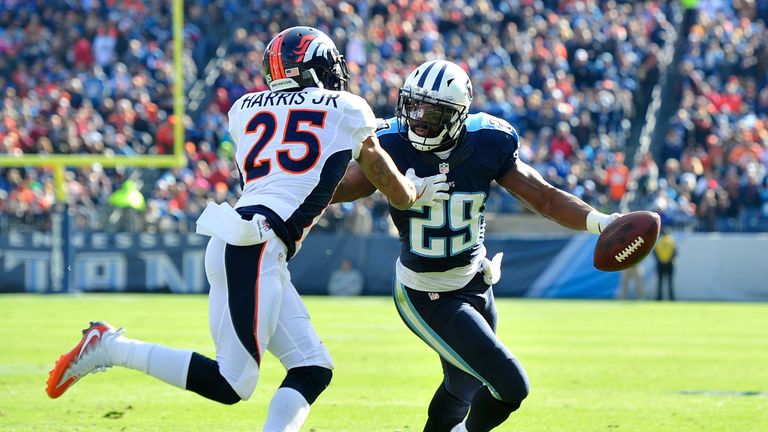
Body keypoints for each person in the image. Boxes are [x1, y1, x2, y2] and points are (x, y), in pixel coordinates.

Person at [45, 27, 448, 432]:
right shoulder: (346, 106)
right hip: (256, 246)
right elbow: (386, 181)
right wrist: (416, 191)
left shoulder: (244, 108)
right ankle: (111, 346)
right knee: (231, 383)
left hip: (242, 239)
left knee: (311, 367)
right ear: (319, 69)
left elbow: (308, 178)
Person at [332, 59, 621, 432]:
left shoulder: (487, 141)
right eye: (413, 106)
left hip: (475, 281)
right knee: (510, 385)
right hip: (427, 293)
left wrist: (601, 222)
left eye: (432, 112)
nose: (418, 119)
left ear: (457, 115)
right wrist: (398, 187)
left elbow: (544, 198)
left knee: (461, 386)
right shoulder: (389, 144)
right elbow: (336, 189)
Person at [653, 228, 677, 301]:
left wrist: (659, 261)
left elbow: (655, 253)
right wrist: (669, 260)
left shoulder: (658, 242)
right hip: (670, 264)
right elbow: (675, 252)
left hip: (660, 264)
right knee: (670, 282)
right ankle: (671, 298)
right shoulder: (671, 241)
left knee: (660, 282)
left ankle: (659, 298)